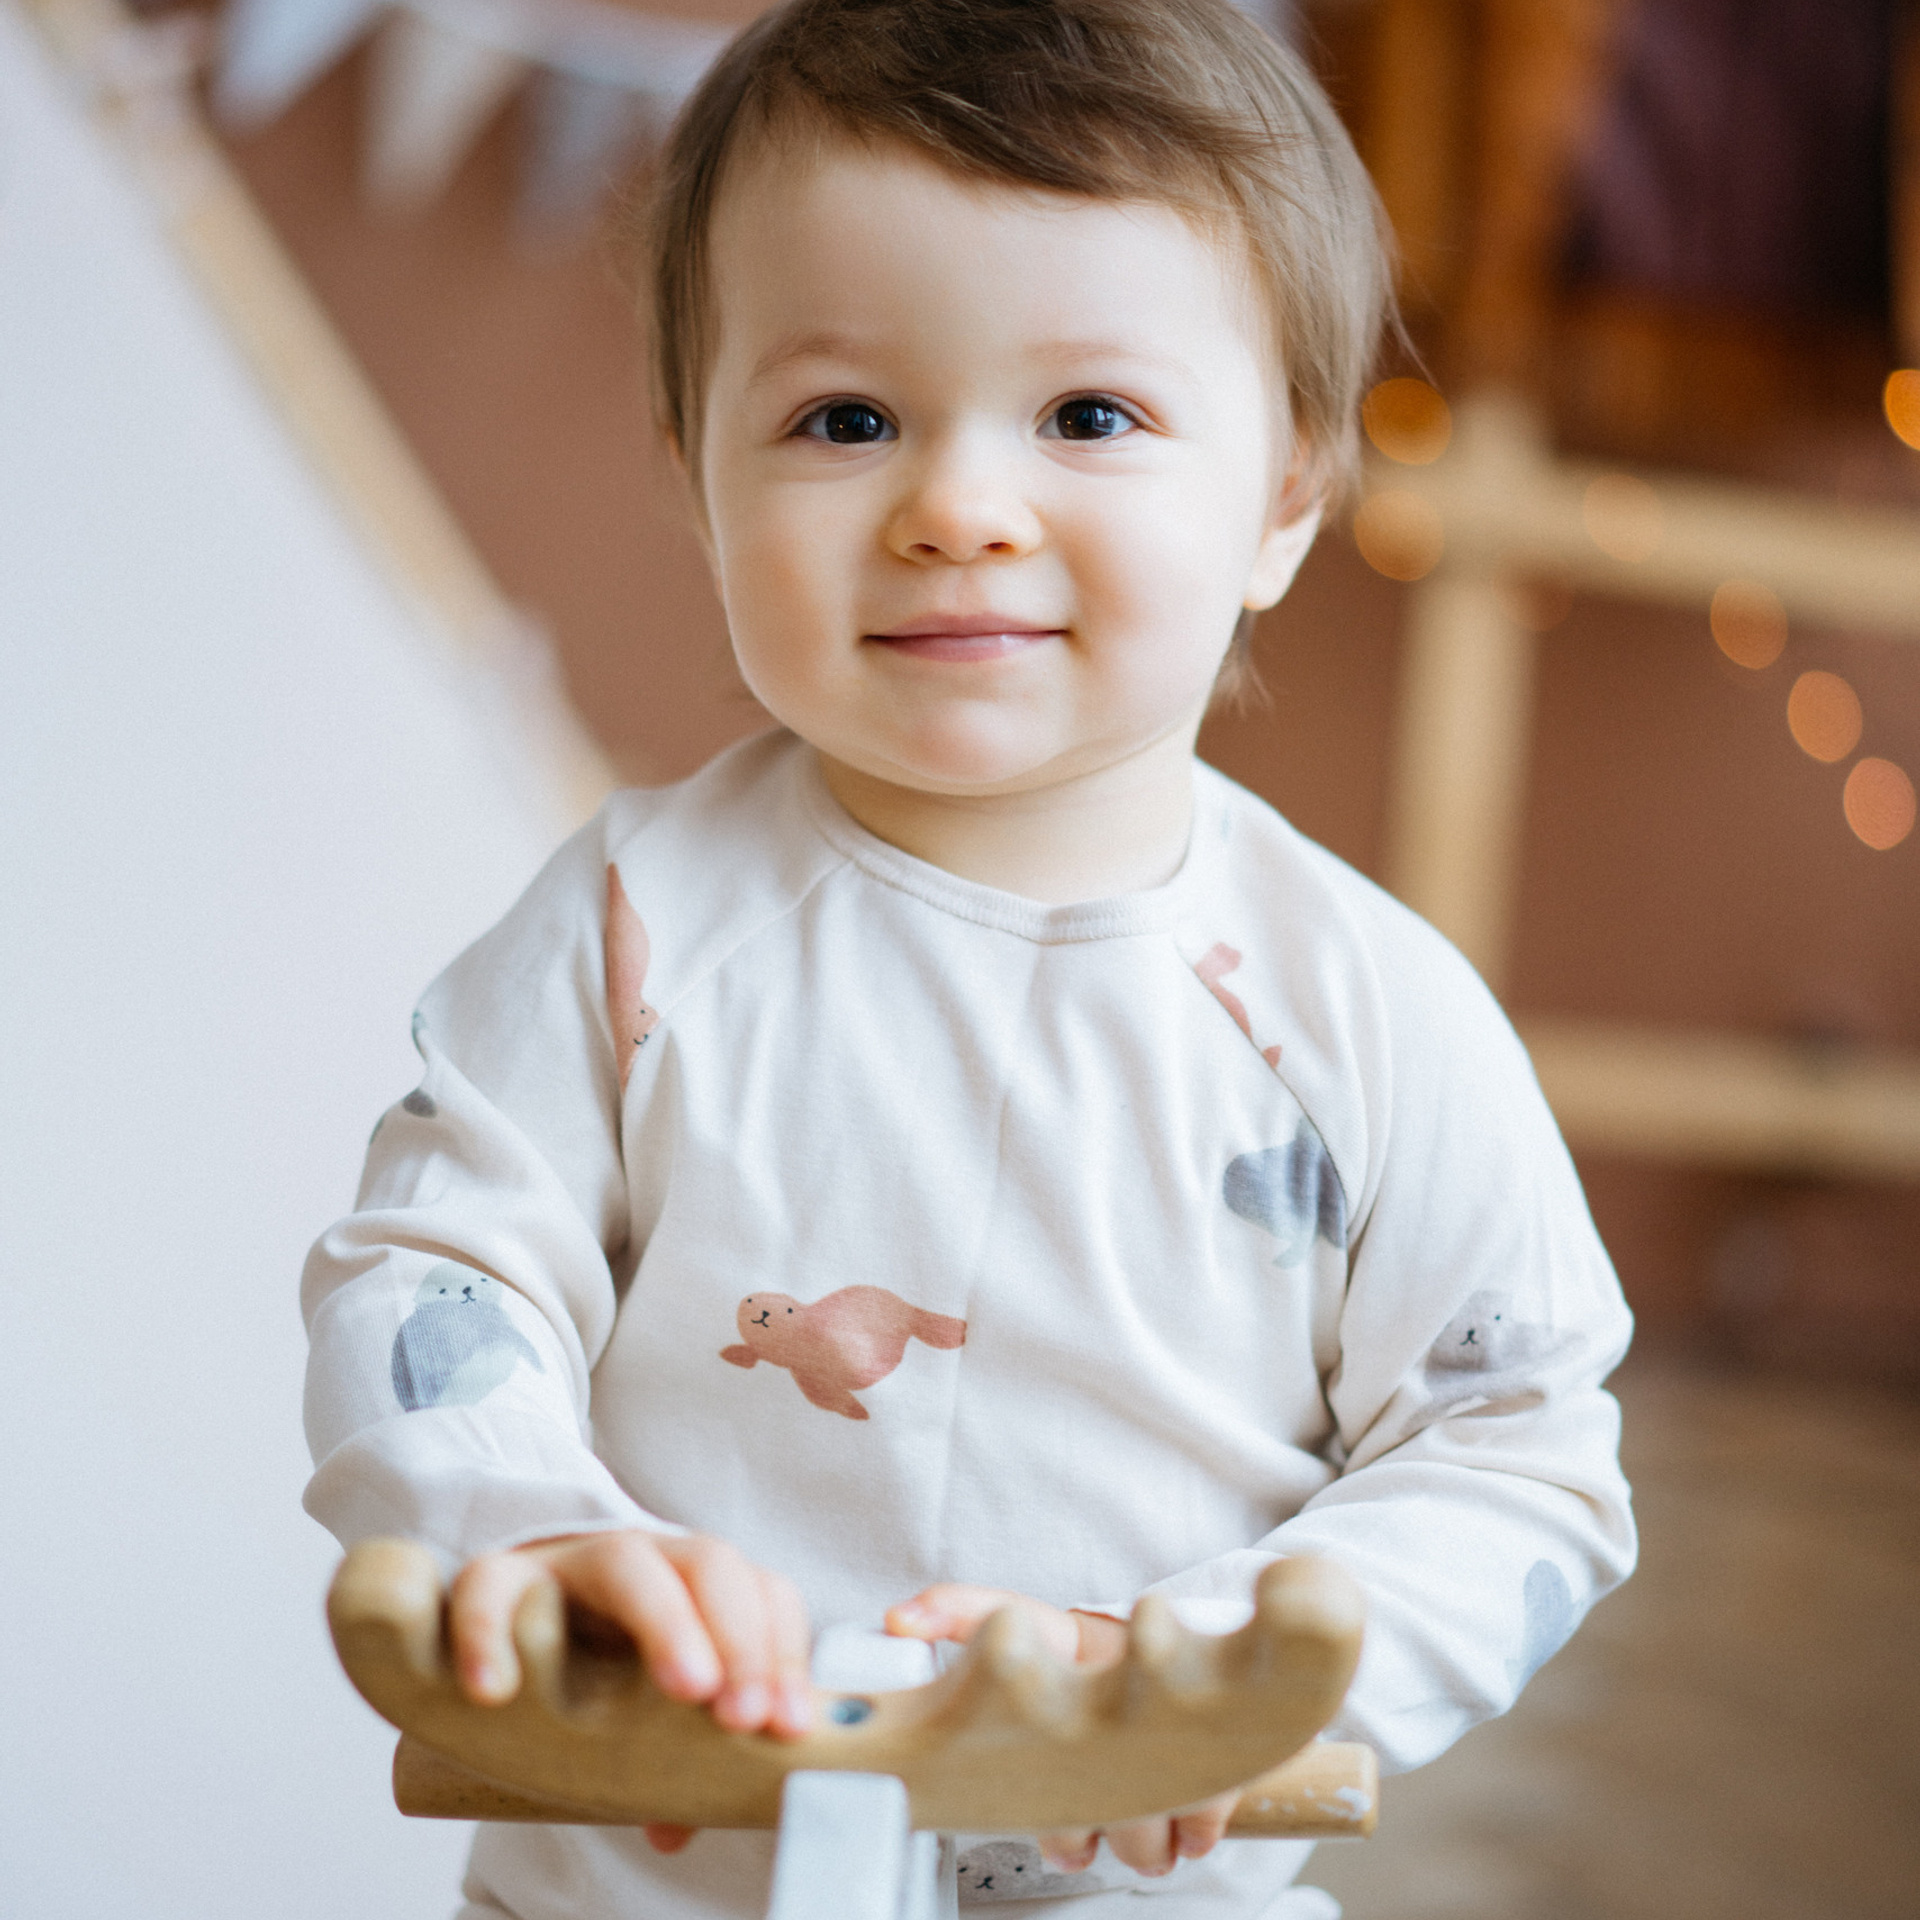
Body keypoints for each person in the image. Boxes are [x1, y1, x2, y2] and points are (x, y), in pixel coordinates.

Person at [300, 3, 1635, 1916]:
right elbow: (431, 1277)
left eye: (1091, 416)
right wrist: (526, 1533)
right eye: (845, 420)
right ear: (699, 474)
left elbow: (1523, 1451)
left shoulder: (1372, 1019)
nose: (956, 508)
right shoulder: (632, 931)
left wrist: (1222, 1664)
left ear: (1283, 500)